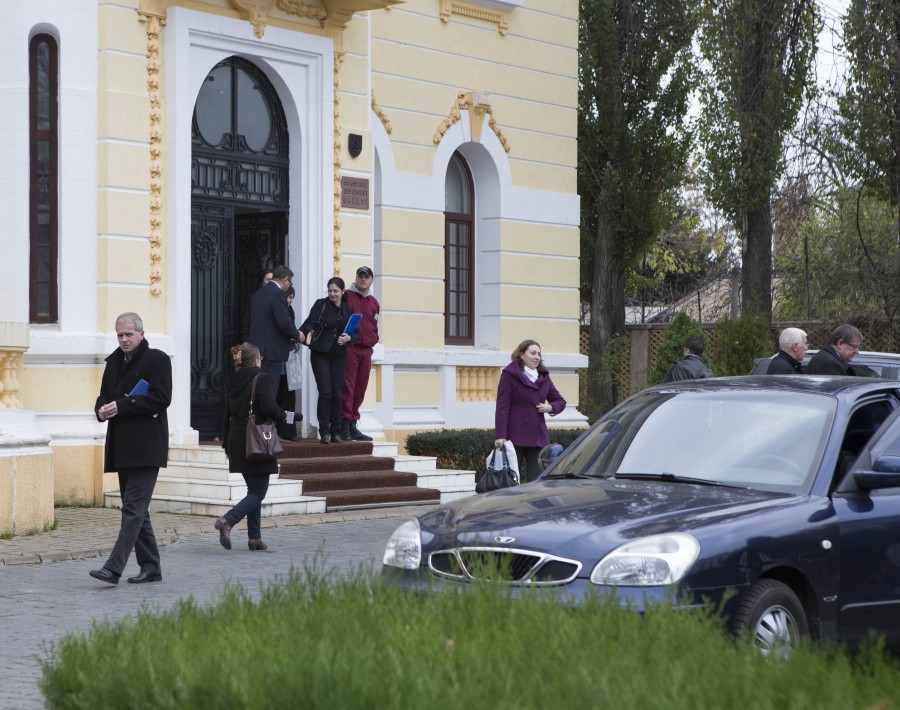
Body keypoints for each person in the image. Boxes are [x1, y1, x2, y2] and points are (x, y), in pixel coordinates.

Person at [89, 312, 172, 585]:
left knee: (133, 509)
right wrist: (101, 410)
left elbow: (162, 399)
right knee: (137, 510)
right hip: (122, 446)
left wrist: (122, 406)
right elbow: (104, 395)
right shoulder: (113, 362)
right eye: (120, 335)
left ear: (141, 334)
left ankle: (113, 568)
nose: (124, 340)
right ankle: (152, 567)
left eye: (129, 335)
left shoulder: (157, 359)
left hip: (147, 446)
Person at [216, 342, 287, 552]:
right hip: (257, 438)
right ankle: (228, 521)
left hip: (237, 438)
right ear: (255, 359)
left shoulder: (233, 380)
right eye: (260, 358)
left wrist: (226, 442)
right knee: (258, 491)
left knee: (253, 489)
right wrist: (282, 415)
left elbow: (226, 413)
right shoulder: (261, 377)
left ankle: (254, 538)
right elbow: (267, 406)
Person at [494, 340, 567, 483]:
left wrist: (550, 407)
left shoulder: (543, 377)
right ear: (521, 354)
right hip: (514, 436)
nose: (537, 357)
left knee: (537, 482)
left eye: (539, 354)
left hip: (538, 438)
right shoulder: (509, 375)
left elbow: (560, 401)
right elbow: (502, 407)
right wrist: (500, 435)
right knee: (510, 482)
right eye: (533, 353)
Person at [248, 264, 304, 440]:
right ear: (285, 279)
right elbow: (283, 322)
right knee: (269, 395)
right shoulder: (278, 294)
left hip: (258, 352)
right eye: (290, 282)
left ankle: (257, 430)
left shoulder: (259, 294)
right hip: (271, 352)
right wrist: (298, 335)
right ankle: (268, 433)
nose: (289, 285)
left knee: (258, 393)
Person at [300, 277, 358, 444]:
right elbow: (310, 323)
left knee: (337, 393)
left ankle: (336, 430)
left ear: (342, 292)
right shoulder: (321, 304)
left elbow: (356, 334)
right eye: (330, 290)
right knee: (325, 391)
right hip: (321, 353)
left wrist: (349, 338)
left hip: (339, 355)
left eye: (335, 291)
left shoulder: (348, 309)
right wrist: (308, 332)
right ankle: (324, 430)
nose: (332, 294)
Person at [340, 265, 380, 442]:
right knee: (348, 386)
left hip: (366, 351)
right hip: (351, 348)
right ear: (356, 278)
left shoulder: (373, 302)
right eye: (360, 276)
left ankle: (353, 423)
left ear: (371, 280)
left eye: (366, 277)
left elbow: (373, 325)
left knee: (360, 388)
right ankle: (344, 423)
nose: (363, 279)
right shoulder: (347, 296)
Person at [239, 268, 274, 343]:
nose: (271, 283)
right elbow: (246, 322)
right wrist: (245, 341)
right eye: (268, 280)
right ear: (261, 282)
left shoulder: (279, 300)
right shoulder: (254, 299)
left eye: (273, 280)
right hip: (257, 342)